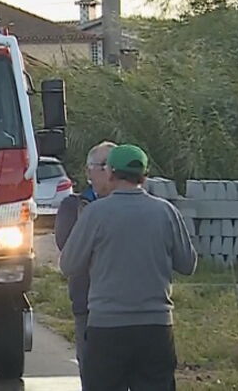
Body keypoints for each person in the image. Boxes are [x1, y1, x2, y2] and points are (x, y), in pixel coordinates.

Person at [59, 144, 197, 391]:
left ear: (111, 172)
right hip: (156, 327)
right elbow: (188, 264)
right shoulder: (166, 212)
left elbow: (68, 265)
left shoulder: (95, 213)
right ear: (144, 175)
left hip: (107, 328)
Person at [54, 141, 116, 388]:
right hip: (87, 303)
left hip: (124, 307)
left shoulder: (139, 206)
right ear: (88, 171)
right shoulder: (74, 206)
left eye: (113, 166)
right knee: (93, 375)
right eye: (103, 166)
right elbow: (67, 250)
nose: (109, 172)